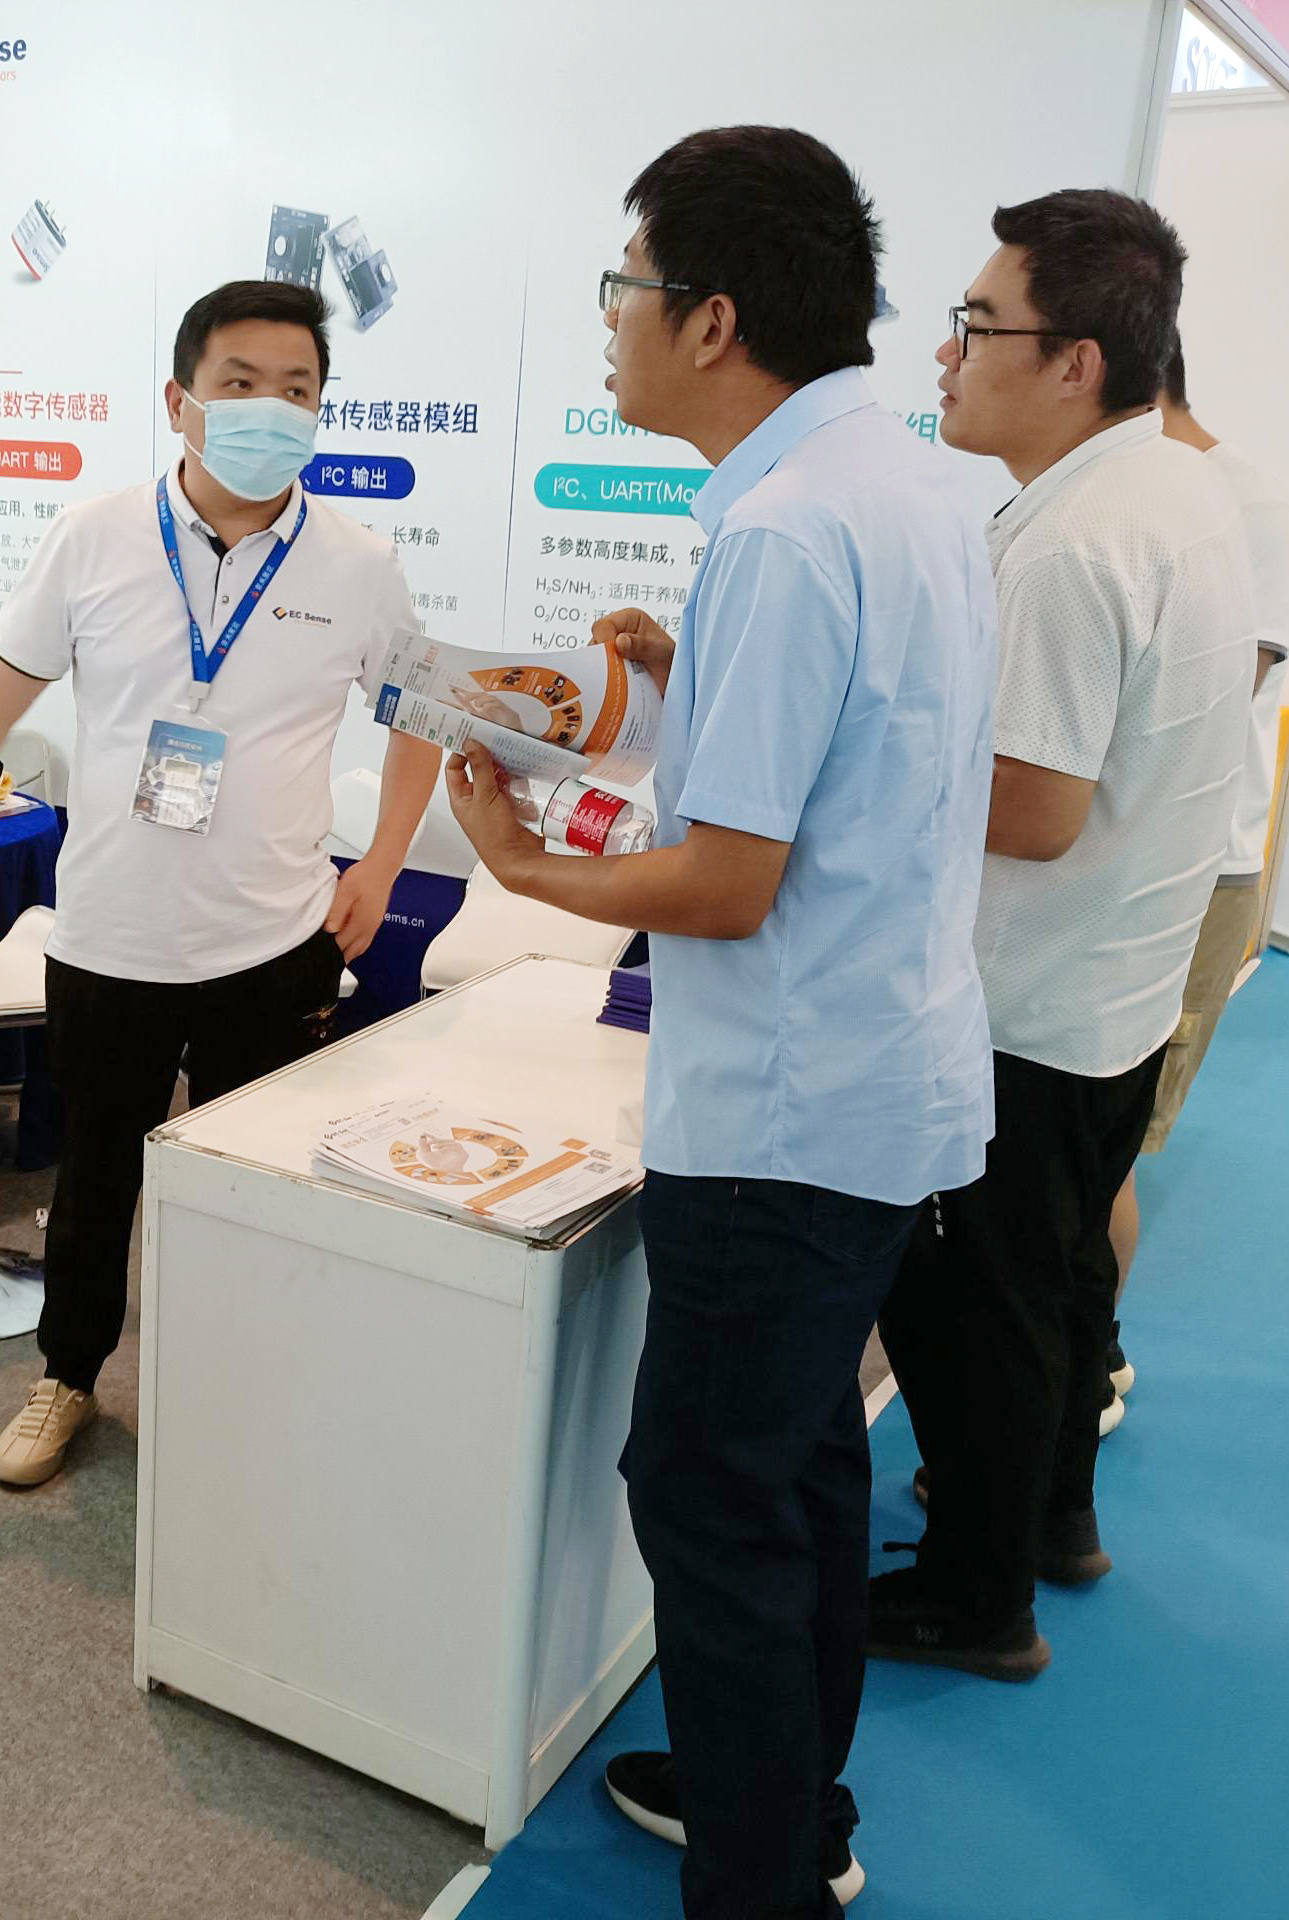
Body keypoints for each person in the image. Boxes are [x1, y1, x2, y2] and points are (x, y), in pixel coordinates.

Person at [444, 126, 997, 1920]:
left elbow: (728, 881)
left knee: (707, 1495)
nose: (608, 321)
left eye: (624, 286)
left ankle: (760, 1876)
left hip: (779, 1114)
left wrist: (523, 865)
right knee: (802, 1465)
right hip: (883, 1080)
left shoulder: (780, 524)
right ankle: (786, 1799)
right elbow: (871, 744)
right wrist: (686, 678)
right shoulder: (904, 484)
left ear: (710, 317)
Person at [873, 190, 1256, 1680]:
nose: (948, 354)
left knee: (976, 1311)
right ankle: (1050, 1519)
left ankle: (974, 1601)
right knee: (1060, 1285)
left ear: (1075, 361)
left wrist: (856, 761)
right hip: (1113, 987)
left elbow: (1030, 810)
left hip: (1023, 1005)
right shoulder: (1172, 491)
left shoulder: (1070, 545)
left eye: (977, 325)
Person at [0, 280, 440, 1488]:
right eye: (240, 384)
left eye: (297, 390)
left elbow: (417, 717)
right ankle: (68, 1378)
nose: (270, 409)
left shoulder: (358, 562)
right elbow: (9, 684)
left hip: (273, 939)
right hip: (112, 933)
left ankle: (245, 1387)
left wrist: (383, 861)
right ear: (180, 400)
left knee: (260, 1180)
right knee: (97, 1177)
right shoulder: (93, 535)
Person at [1106, 337, 1289, 1394]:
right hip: (1114, 863)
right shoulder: (1130, 491)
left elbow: (1207, 697)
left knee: (1105, 1149)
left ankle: (1089, 1366)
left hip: (1190, 868)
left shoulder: (1242, 501)